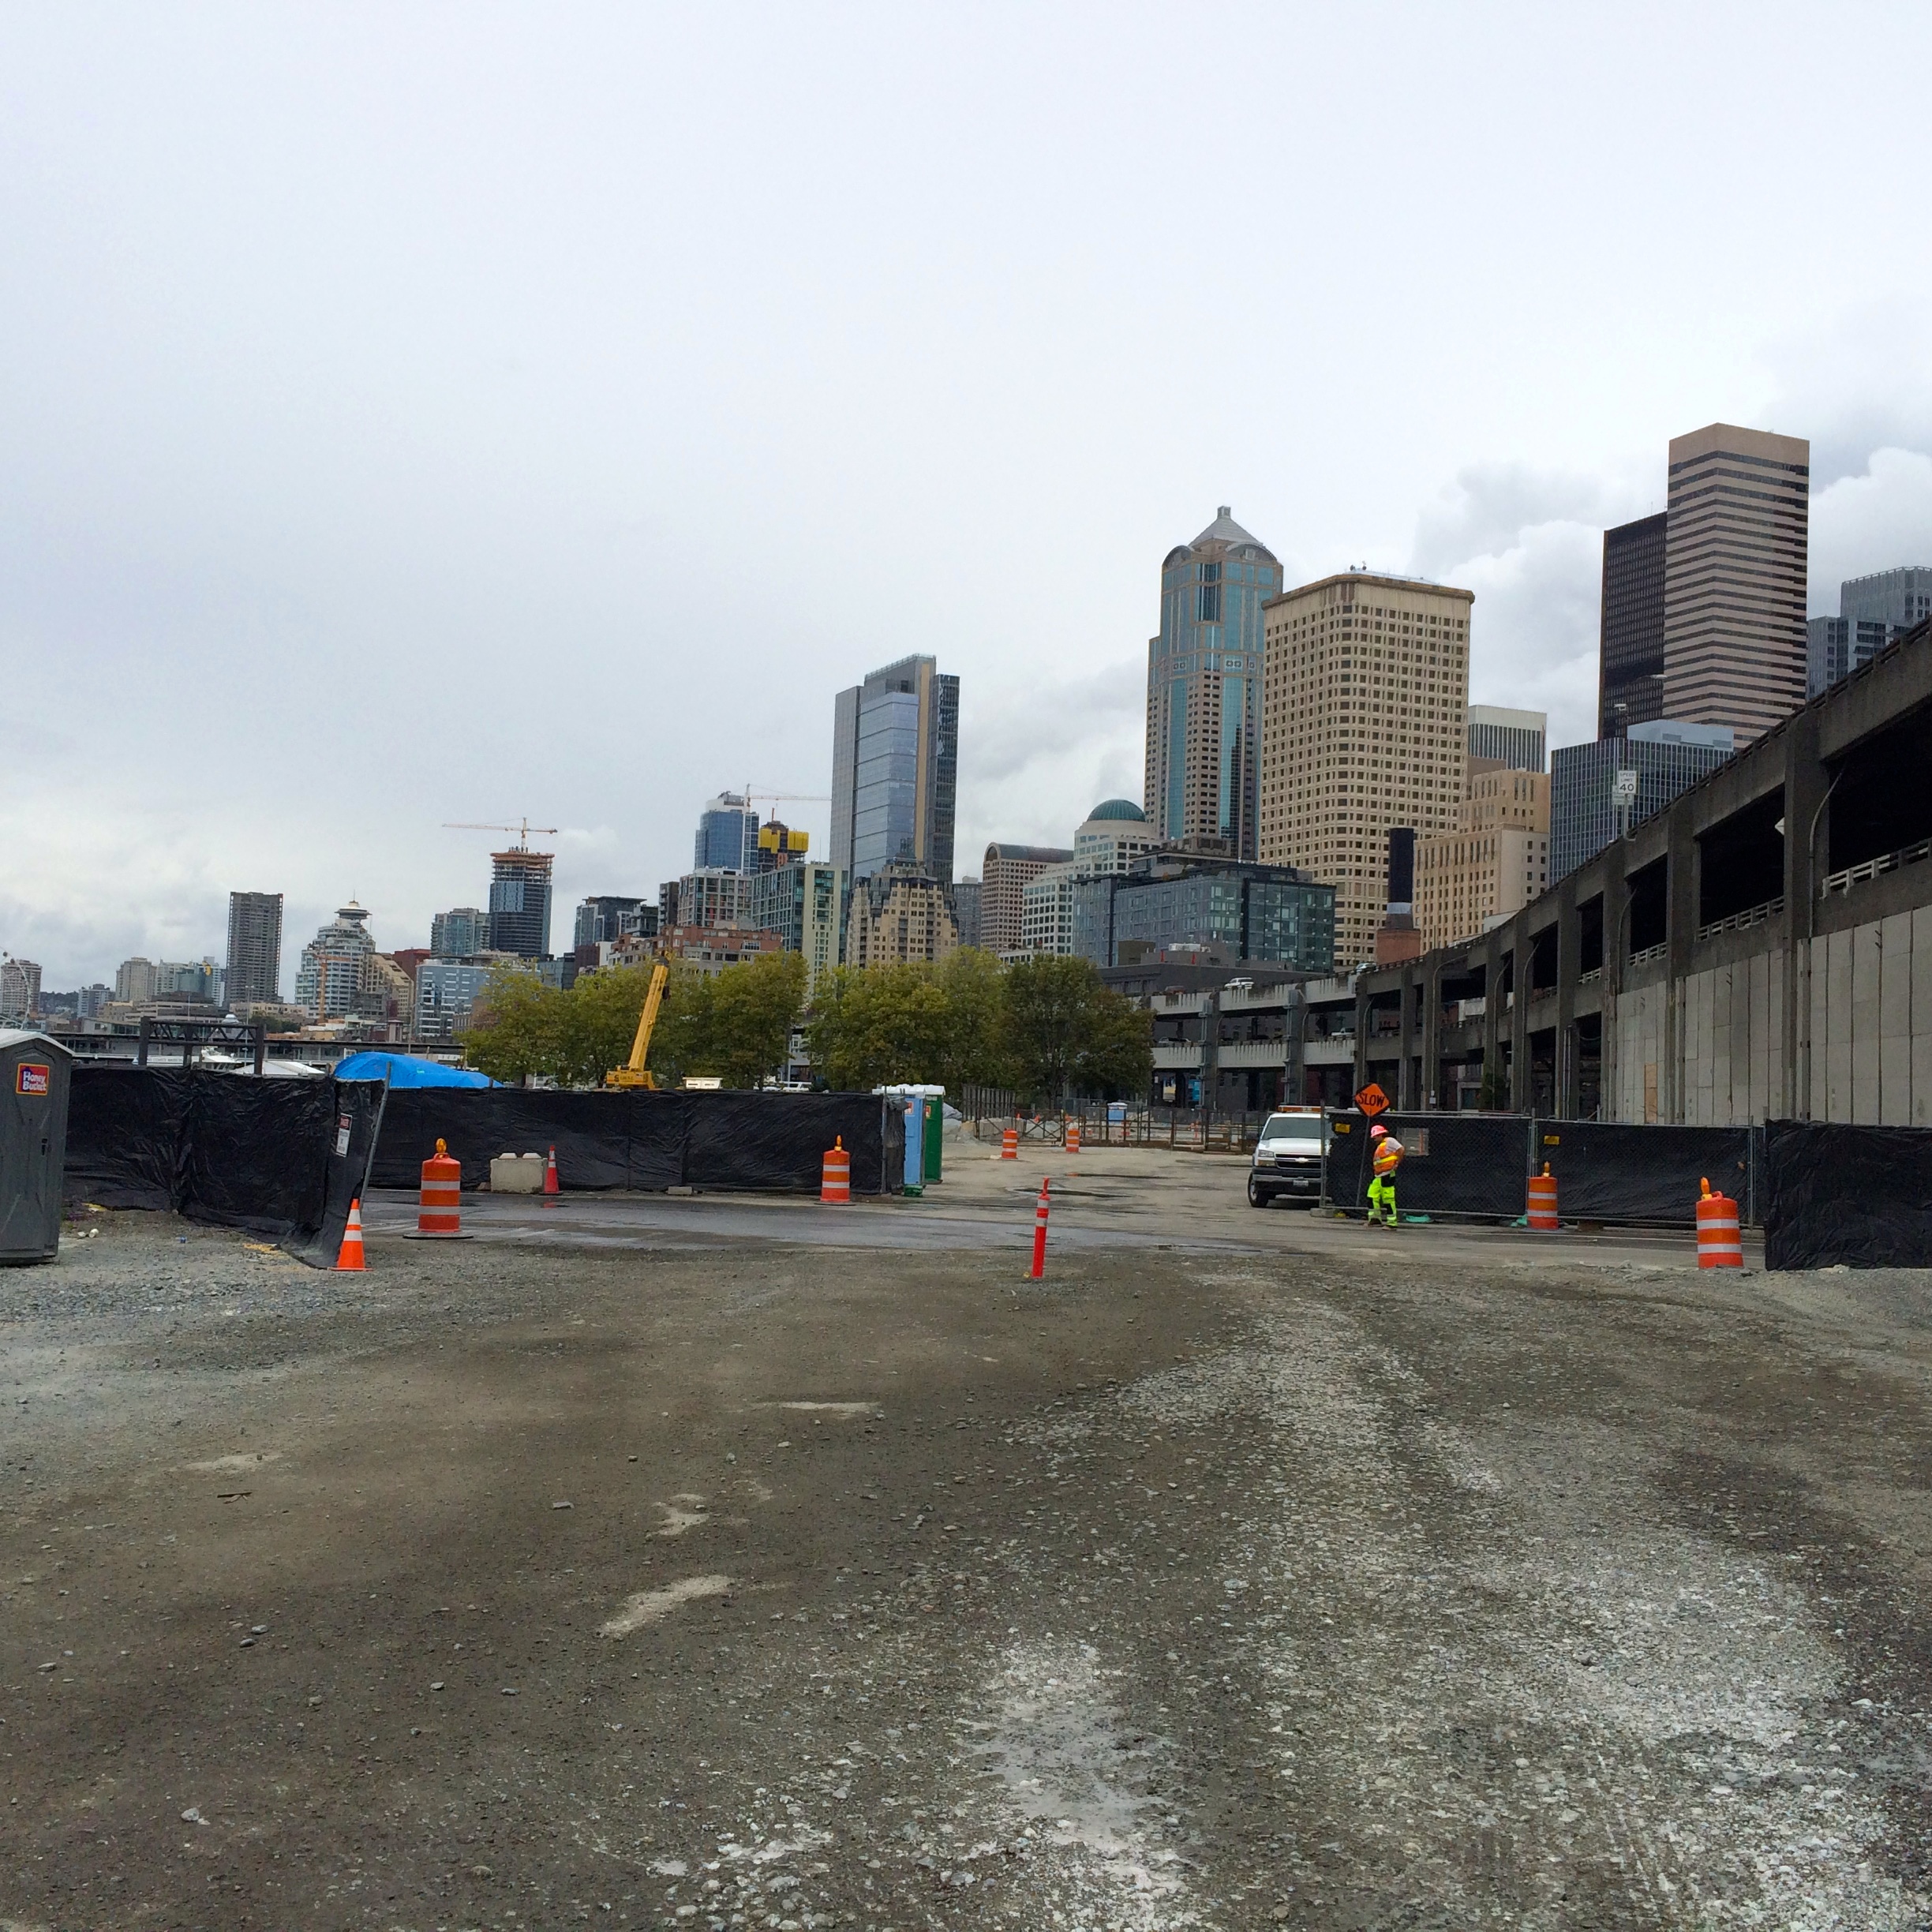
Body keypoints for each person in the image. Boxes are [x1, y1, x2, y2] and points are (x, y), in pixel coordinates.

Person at [1366, 1121, 1405, 1228]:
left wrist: (1397, 1163)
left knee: (1388, 1199)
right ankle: (1375, 1219)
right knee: (1371, 1196)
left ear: (1380, 1134)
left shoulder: (1389, 1141)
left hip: (1387, 1174)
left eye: (1375, 1136)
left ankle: (1392, 1223)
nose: (1374, 1139)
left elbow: (1401, 1149)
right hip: (1379, 1175)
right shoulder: (1382, 1145)